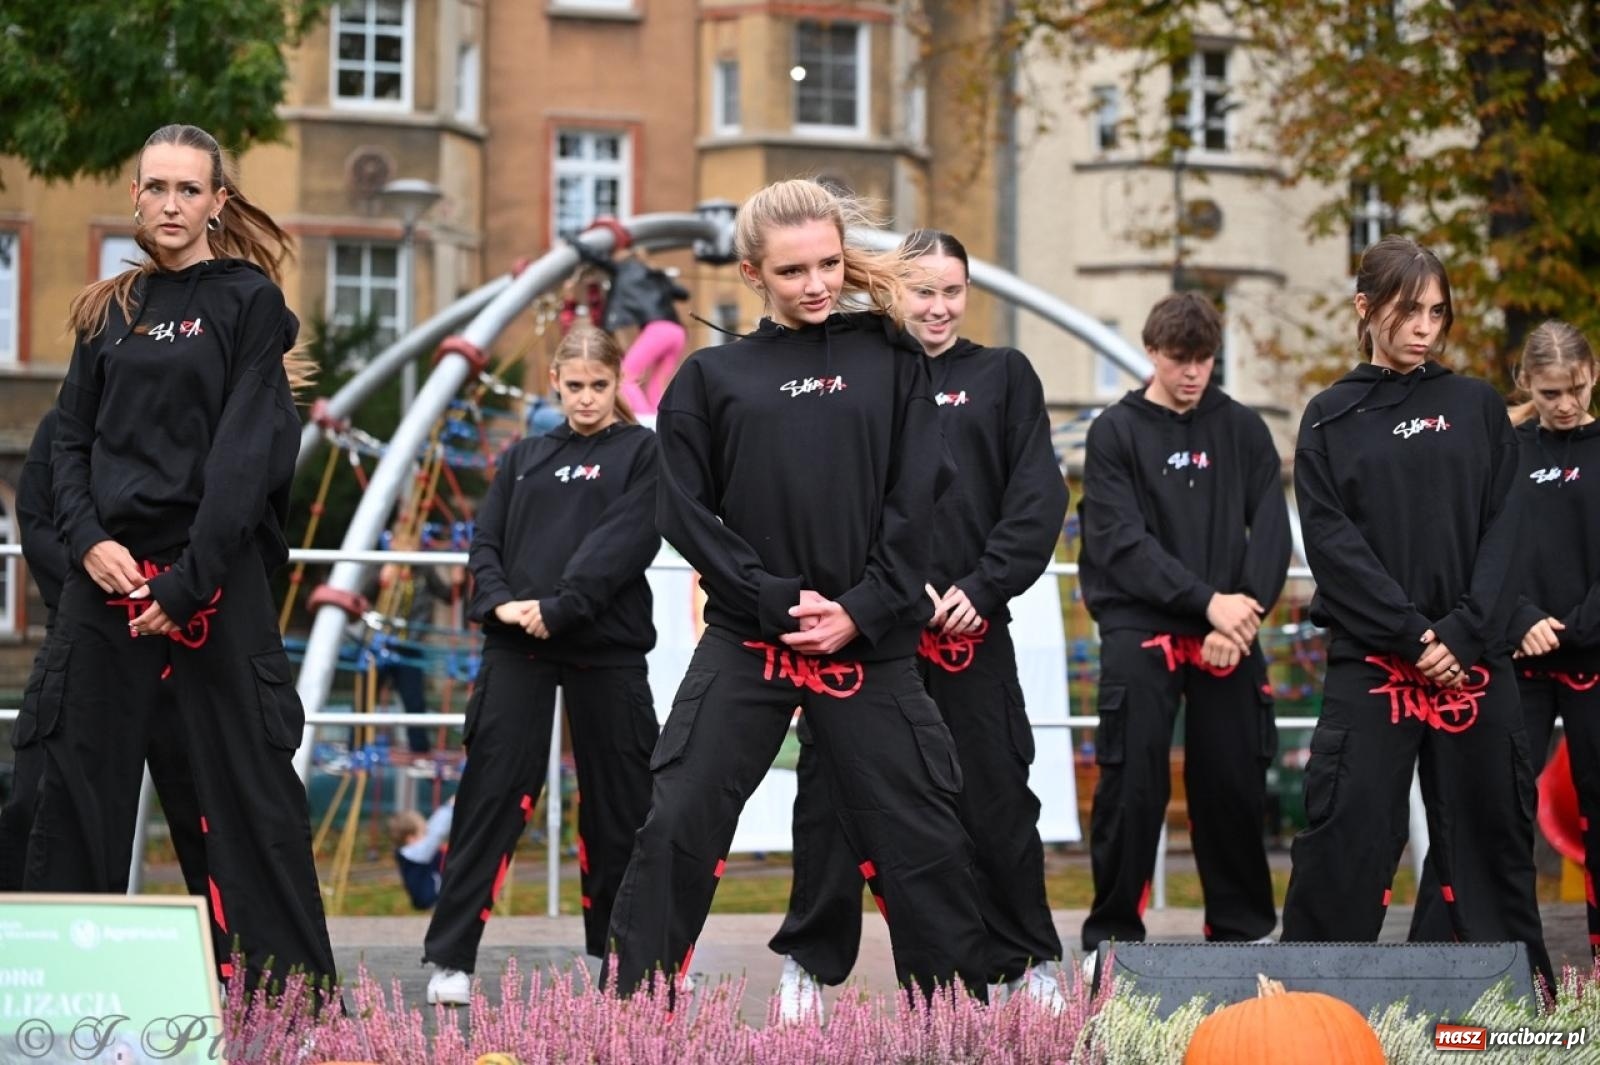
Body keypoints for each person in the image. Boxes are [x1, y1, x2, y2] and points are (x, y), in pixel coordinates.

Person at [603, 179, 991, 1004]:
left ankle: (966, 1027)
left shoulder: (891, 360)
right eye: (791, 272)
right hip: (750, 639)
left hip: (872, 639)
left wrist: (863, 606)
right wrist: (772, 597)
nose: (815, 285)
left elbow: (921, 493)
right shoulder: (712, 378)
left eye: (826, 264)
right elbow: (682, 508)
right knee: (676, 821)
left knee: (923, 835)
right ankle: (631, 1019)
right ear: (752, 275)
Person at [38, 123, 337, 990]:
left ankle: (290, 1008)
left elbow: (249, 454)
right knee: (67, 786)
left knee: (251, 798)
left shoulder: (249, 303)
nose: (171, 204)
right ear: (136, 196)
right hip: (111, 581)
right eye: (156, 187)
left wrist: (190, 578)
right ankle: (59, 998)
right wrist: (88, 540)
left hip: (211, 582)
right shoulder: (107, 311)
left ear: (216, 202)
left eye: (188, 190)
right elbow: (68, 446)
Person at [768, 230, 1069, 1016]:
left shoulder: (1003, 375)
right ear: (892, 290)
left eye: (952, 291)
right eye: (923, 289)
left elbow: (1036, 500)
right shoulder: (862, 373)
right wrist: (890, 592)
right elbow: (833, 500)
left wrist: (984, 585)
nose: (937, 306)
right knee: (831, 798)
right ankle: (809, 960)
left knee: (998, 794)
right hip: (872, 635)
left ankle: (1025, 958)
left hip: (972, 632)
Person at [1280, 236, 1552, 990]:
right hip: (1373, 662)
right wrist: (1413, 635)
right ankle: (1311, 1004)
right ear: (1366, 308)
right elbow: (1333, 544)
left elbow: (1508, 526)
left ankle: (1511, 1009)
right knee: (1348, 835)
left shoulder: (1476, 408)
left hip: (1475, 660)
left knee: (1493, 835)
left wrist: (1462, 633)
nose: (1424, 327)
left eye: (1437, 312)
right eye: (1408, 310)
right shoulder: (1331, 417)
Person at [423, 324, 662, 1006]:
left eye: (600, 386)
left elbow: (625, 541)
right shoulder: (526, 454)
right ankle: (451, 959)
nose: (587, 399)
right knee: (492, 792)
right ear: (554, 383)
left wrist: (562, 605)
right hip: (517, 644)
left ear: (618, 384)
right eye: (575, 385)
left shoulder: (643, 454)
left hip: (603, 647)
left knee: (620, 804)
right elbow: (486, 542)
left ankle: (619, 959)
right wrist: (501, 604)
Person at [1077, 291, 1289, 957]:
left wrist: (1242, 612)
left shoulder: (1244, 429)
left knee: (1231, 783)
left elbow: (1273, 531)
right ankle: (1112, 940)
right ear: (1151, 352)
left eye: (1204, 360)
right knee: (1132, 786)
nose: (1192, 373)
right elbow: (1121, 542)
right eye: (1179, 360)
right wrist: (1207, 602)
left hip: (1232, 631)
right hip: (1142, 627)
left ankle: (1242, 934)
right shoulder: (1115, 432)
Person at [1410, 321, 1600, 959]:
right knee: (1484, 802)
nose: (1566, 404)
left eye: (1574, 388)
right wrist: (1517, 617)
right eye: (1550, 393)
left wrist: (1573, 627)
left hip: (1590, 652)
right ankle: (1453, 960)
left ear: (1593, 375)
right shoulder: (1504, 449)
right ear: (1526, 385)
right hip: (1514, 653)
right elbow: (1476, 544)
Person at [2, 410, 209, 898]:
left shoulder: (202, 423)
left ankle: (233, 963)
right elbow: (37, 527)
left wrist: (177, 591)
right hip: (82, 641)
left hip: (185, 644)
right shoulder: (64, 426)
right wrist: (104, 597)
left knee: (207, 818)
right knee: (40, 809)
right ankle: (32, 950)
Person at [390, 800, 455, 910]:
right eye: (424, 832)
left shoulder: (413, 853)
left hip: (435, 900)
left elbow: (433, 828)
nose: (427, 834)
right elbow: (435, 833)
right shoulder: (412, 854)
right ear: (411, 839)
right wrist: (449, 808)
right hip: (430, 902)